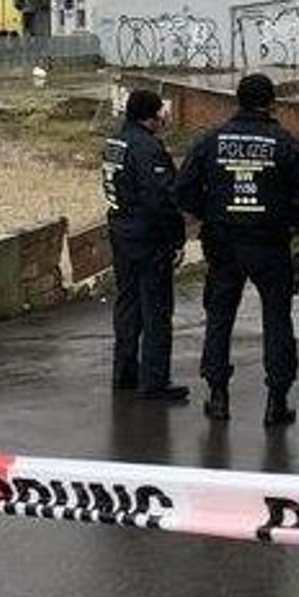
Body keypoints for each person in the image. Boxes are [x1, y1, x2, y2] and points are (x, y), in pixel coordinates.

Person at [175, 74, 299, 426]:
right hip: (270, 243)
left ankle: (218, 396)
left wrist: (210, 215)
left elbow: (182, 189)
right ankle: (277, 399)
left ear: (237, 102)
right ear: (272, 103)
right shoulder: (284, 143)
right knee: (276, 319)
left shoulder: (210, 141)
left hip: (223, 242)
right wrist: (291, 224)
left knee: (219, 318)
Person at [102, 88, 189, 403]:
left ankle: (124, 372)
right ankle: (155, 381)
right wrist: (177, 239)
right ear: (151, 116)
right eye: (160, 113)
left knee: (127, 304)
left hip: (121, 231)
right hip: (148, 236)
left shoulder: (115, 143)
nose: (164, 117)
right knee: (156, 309)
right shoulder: (147, 148)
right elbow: (162, 198)